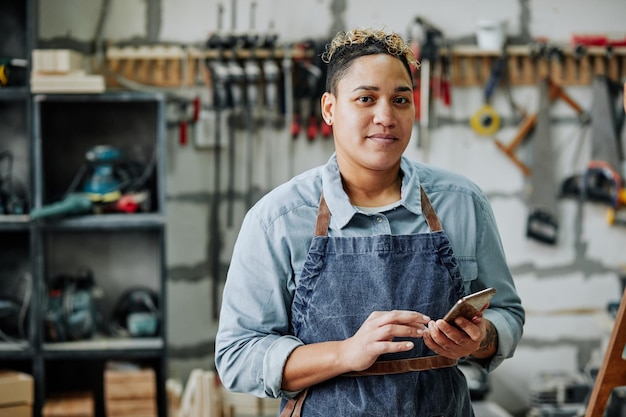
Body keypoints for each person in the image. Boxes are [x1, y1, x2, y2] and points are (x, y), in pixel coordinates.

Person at [215, 27, 525, 416]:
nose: (386, 117)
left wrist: (479, 340)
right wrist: (345, 354)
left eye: (400, 100)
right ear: (329, 108)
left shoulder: (462, 202)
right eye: (366, 99)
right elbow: (237, 356)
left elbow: (507, 314)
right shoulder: (278, 219)